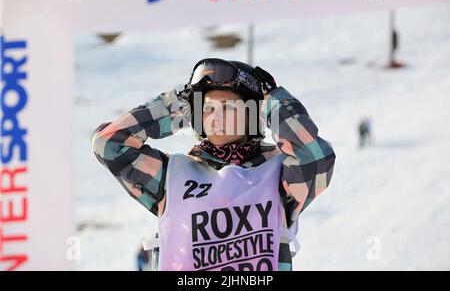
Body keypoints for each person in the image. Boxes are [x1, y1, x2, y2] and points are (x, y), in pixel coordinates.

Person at [91, 58, 336, 271]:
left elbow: (315, 157)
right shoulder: (169, 177)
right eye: (207, 108)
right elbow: (109, 143)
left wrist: (272, 101)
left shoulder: (280, 176)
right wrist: (179, 107)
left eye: (228, 108)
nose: (216, 118)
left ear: (254, 114)